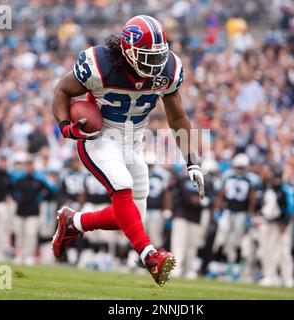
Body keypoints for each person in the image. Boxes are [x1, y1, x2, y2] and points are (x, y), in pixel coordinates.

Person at [51, 15, 205, 286]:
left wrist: (192, 161)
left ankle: (74, 222)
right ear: (128, 50)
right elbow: (63, 90)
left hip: (134, 141)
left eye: (159, 56)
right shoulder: (100, 65)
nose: (156, 64)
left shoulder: (169, 70)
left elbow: (178, 117)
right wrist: (66, 127)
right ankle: (150, 255)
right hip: (99, 137)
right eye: (148, 56)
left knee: (133, 216)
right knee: (122, 187)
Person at [213, 153, 256, 264]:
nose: (240, 170)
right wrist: (218, 209)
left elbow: (252, 198)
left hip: (241, 212)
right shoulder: (228, 176)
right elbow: (221, 194)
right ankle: (218, 262)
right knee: (222, 237)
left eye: (242, 168)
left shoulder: (250, 179)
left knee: (237, 240)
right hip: (228, 210)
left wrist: (250, 213)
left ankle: (233, 264)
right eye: (238, 167)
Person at [12, 158, 55, 265]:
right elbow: (11, 189)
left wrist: (40, 198)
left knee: (30, 233)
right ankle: (19, 254)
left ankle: (29, 255)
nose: (29, 168)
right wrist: (17, 198)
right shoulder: (19, 178)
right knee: (19, 233)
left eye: (31, 165)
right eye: (27, 165)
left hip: (33, 211)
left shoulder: (39, 179)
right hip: (20, 209)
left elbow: (51, 190)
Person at [259, 170, 294, 287]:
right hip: (271, 223)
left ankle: (288, 278)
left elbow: (291, 208)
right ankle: (270, 276)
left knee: (284, 252)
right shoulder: (270, 190)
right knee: (269, 250)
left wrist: (285, 223)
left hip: (283, 225)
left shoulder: (286, 190)